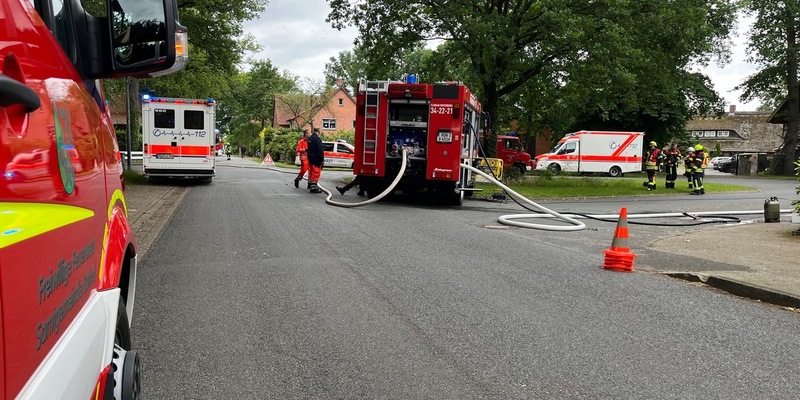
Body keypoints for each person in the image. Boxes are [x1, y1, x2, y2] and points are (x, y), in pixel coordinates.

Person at [306, 128, 324, 193]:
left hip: (310, 158)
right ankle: (314, 187)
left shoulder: (310, 138)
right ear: (319, 131)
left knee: (311, 172)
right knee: (316, 172)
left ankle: (310, 184)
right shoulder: (317, 139)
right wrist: (321, 159)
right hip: (316, 159)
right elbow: (320, 150)